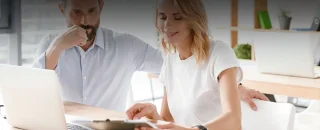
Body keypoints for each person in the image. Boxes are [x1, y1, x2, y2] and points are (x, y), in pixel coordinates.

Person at [32, 0, 268, 112]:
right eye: (76, 13)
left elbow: (186, 65)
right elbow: (33, 91)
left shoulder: (125, 46)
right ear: (62, 9)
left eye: (91, 11)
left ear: (101, 7)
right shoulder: (50, 46)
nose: (84, 21)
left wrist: (232, 85)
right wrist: (57, 47)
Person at [126, 0, 255, 130]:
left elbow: (233, 120)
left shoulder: (219, 53)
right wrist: (152, 113)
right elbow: (166, 121)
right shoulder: (170, 60)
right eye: (162, 17)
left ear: (194, 19)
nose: (167, 24)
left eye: (177, 17)